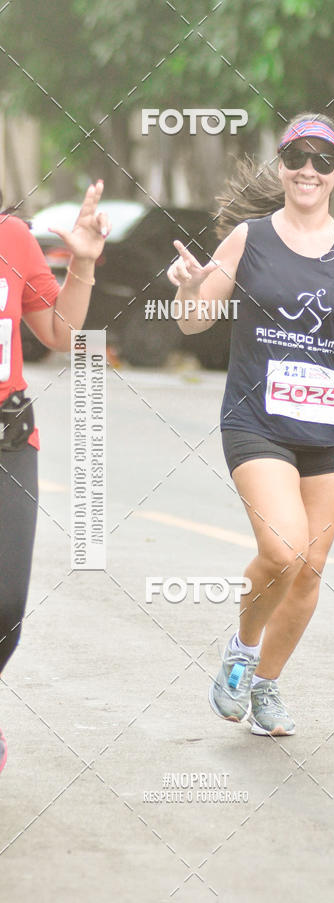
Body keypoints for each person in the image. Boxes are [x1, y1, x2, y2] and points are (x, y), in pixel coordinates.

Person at [167, 113, 334, 737]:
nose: (308, 170)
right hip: (257, 421)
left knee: (311, 567)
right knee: (282, 549)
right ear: (282, 166)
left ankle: (266, 687)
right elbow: (193, 322)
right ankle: (241, 648)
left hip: (328, 430)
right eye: (297, 158)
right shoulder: (248, 239)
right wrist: (186, 289)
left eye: (322, 160)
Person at [0, 181, 111, 772]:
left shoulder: (12, 237)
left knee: (6, 603)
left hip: (9, 439)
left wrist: (84, 265)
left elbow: (61, 335)